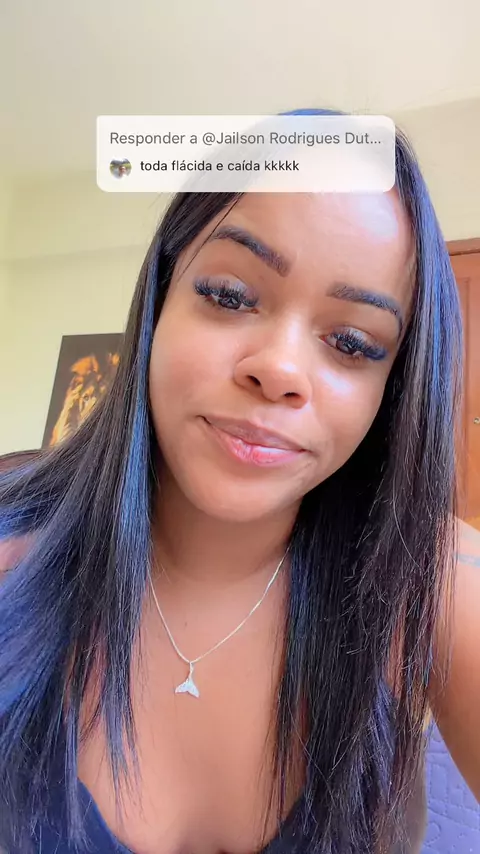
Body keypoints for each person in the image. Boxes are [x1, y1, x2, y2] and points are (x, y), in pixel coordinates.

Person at [0, 108, 479, 854]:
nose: (280, 369)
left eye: (353, 342)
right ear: (161, 299)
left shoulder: (430, 580)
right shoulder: (13, 556)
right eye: (229, 295)